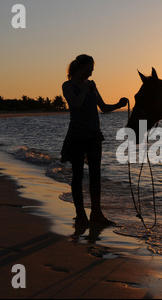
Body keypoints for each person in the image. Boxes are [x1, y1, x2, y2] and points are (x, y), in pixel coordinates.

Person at [61, 54, 127, 227]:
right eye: (88, 69)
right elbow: (75, 104)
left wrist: (119, 104)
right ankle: (80, 215)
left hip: (94, 135)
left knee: (95, 176)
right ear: (80, 68)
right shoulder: (68, 85)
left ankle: (97, 215)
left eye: (92, 70)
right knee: (78, 175)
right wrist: (85, 89)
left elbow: (103, 108)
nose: (91, 73)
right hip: (77, 136)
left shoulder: (92, 86)